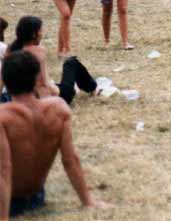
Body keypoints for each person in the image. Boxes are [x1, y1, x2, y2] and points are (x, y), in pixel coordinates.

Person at [0, 51, 108, 217]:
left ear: (6, 81)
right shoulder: (58, 109)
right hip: (35, 198)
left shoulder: (4, 117)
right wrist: (88, 201)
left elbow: (4, 170)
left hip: (9, 203)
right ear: (37, 79)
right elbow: (70, 160)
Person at [5, 16, 98, 105]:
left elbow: (3, 76)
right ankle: (93, 88)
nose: (42, 34)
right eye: (41, 30)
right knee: (71, 62)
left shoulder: (11, 49)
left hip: (21, 98)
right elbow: (44, 83)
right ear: (34, 34)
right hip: (51, 98)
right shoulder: (39, 51)